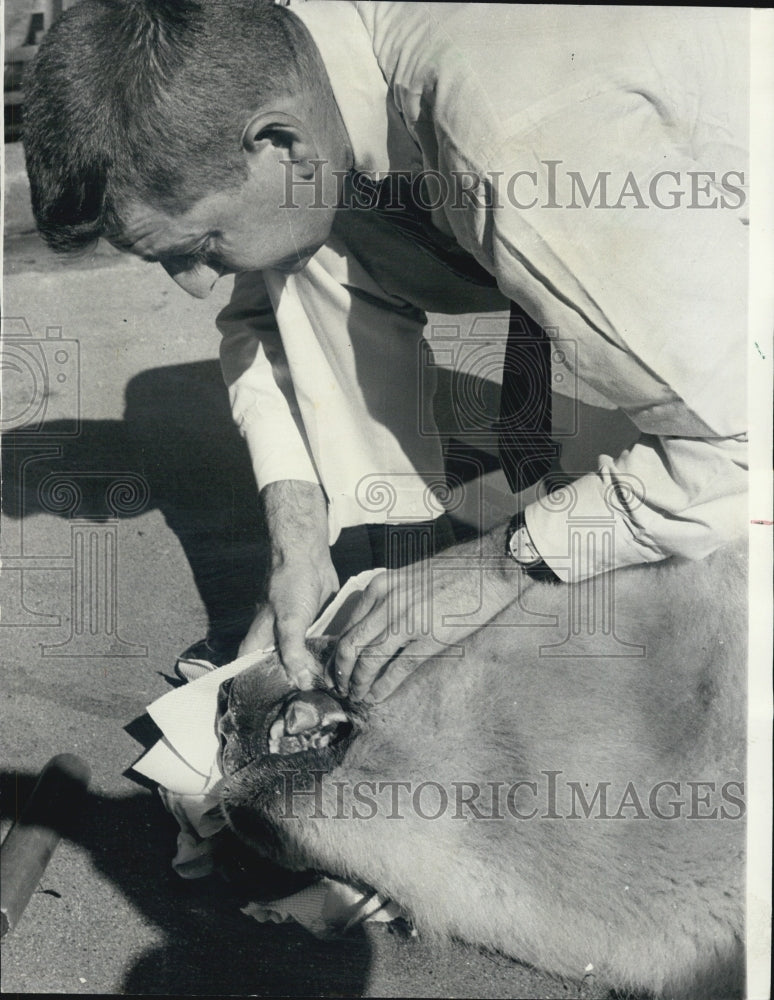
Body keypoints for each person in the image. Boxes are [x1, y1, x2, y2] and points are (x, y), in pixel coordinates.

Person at [23, 0, 749, 702]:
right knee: (296, 239)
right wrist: (298, 547)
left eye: (201, 246)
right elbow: (272, 322)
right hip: (537, 187)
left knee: (672, 609)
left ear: (280, 143)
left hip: (730, 258)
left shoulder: (521, 151)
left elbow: (745, 442)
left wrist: (503, 562)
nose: (194, 287)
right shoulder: (281, 52)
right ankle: (387, 555)